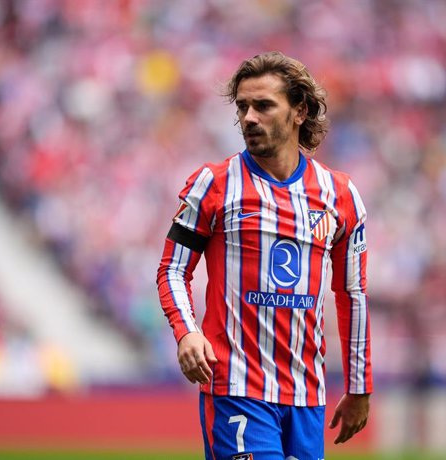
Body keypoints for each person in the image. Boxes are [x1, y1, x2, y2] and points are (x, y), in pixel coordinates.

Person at [156, 51, 372, 460]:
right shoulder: (213, 184)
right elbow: (172, 270)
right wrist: (186, 332)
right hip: (236, 388)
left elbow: (352, 294)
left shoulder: (340, 195)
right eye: (242, 107)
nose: (249, 118)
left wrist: (359, 385)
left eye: (263, 105)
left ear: (299, 111)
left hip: (307, 394)